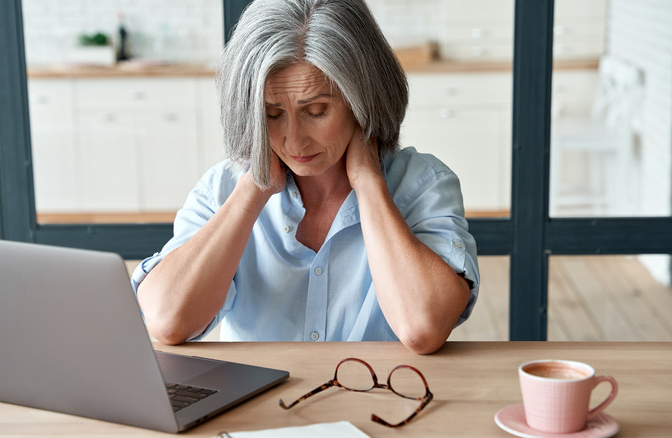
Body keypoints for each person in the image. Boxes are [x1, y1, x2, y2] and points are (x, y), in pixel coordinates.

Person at [132, 0, 479, 354]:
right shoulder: (221, 189)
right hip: (260, 408)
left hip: (380, 403)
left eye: (316, 111)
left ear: (363, 100)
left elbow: (423, 328)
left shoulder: (422, 185)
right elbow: (168, 321)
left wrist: (369, 184)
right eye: (271, 114)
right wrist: (253, 191)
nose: (294, 140)